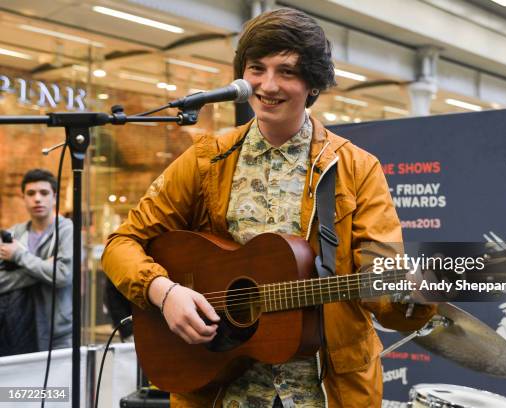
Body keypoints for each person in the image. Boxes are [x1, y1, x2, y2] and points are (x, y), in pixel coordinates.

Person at [102, 7, 436, 407]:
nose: (267, 85)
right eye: (256, 68)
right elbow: (122, 244)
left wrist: (412, 295)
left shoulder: (357, 170)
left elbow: (382, 288)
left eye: (287, 72)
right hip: (220, 388)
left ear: (313, 83)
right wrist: (165, 291)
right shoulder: (206, 160)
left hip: (323, 393)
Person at [0, 169, 73, 355]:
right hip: (18, 330)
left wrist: (19, 256)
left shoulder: (67, 231)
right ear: (23, 197)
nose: (37, 199)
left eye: (44, 193)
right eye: (31, 193)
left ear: (54, 197)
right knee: (19, 386)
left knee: (59, 386)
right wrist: (45, 268)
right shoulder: (14, 234)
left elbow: (63, 275)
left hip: (57, 334)